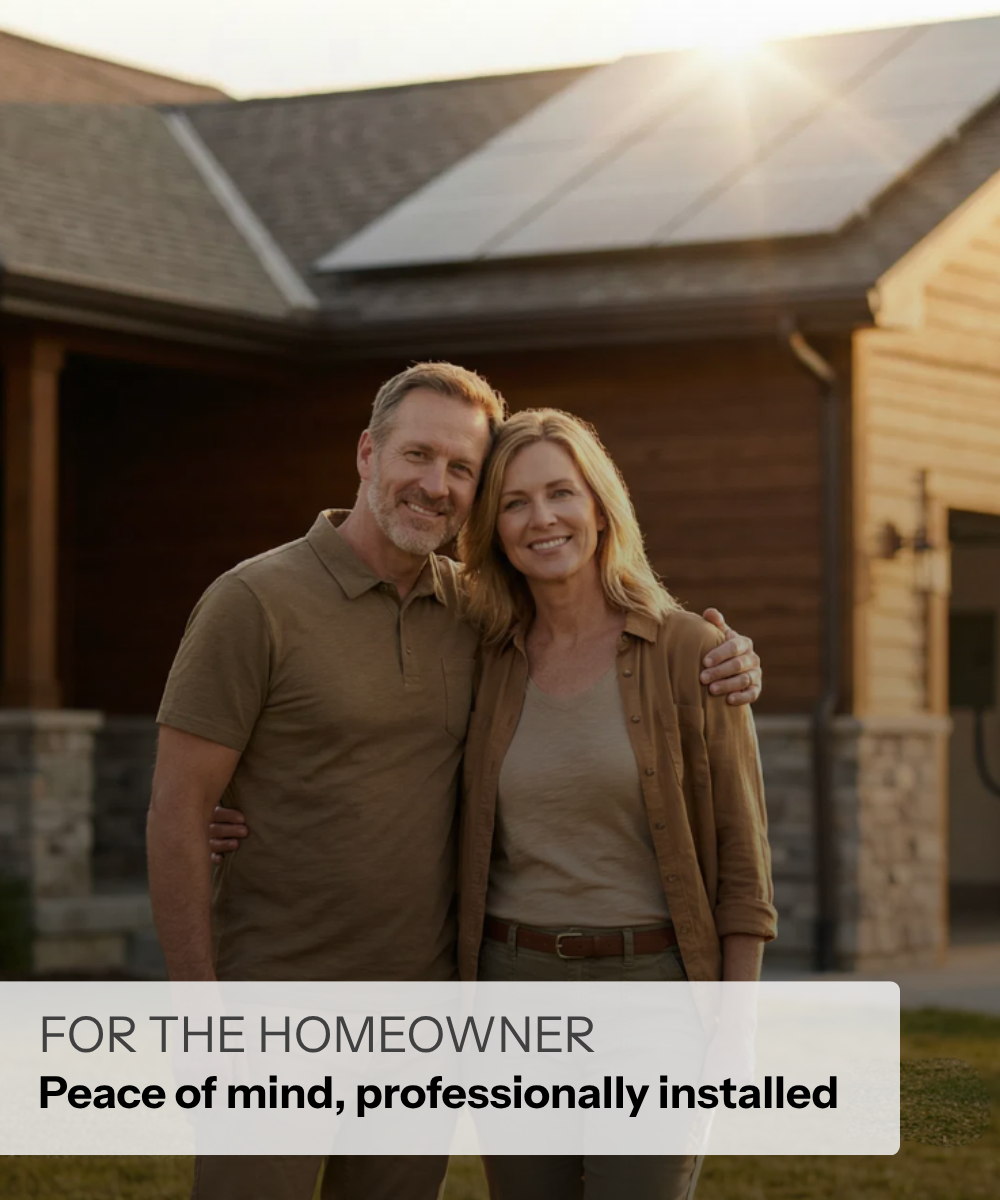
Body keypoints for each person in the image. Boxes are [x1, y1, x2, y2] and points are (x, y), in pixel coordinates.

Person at [151, 362, 762, 1200]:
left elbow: (607, 668)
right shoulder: (253, 601)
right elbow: (177, 812)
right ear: (368, 454)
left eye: (462, 470)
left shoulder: (475, 619)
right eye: (418, 455)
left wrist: (732, 656)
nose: (435, 485)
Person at [454, 408, 777, 1200]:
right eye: (515, 502)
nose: (543, 519)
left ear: (601, 507)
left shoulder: (690, 653)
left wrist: (734, 1025)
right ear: (494, 528)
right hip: (511, 991)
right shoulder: (479, 655)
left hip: (655, 997)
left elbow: (743, 861)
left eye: (561, 493)